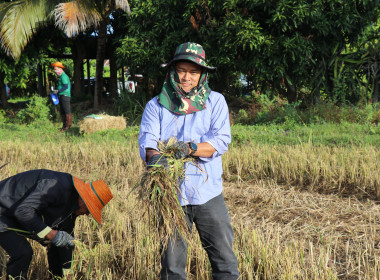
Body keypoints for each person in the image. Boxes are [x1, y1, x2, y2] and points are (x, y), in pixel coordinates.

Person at [138, 42, 240, 279]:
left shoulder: (215, 102)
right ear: (172, 72)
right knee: (172, 267)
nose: (186, 77)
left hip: (207, 193)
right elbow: (149, 142)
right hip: (171, 196)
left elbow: (220, 141)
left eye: (193, 72)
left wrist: (191, 148)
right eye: (181, 70)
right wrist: (155, 161)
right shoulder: (156, 106)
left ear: (202, 75)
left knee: (225, 263)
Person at [0, 169, 113, 280]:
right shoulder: (55, 186)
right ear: (84, 201)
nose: (87, 214)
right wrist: (51, 234)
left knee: (56, 243)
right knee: (23, 252)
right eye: (89, 210)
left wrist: (67, 272)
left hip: (13, 215)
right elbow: (23, 211)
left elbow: (66, 242)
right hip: (3, 211)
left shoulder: (72, 206)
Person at [51, 61, 72, 131]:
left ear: (60, 69)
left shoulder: (64, 76)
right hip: (61, 95)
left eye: (55, 69)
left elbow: (65, 86)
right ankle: (64, 126)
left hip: (65, 95)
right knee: (62, 111)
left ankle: (68, 126)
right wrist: (56, 90)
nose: (55, 71)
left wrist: (58, 91)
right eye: (54, 69)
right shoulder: (60, 77)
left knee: (67, 111)